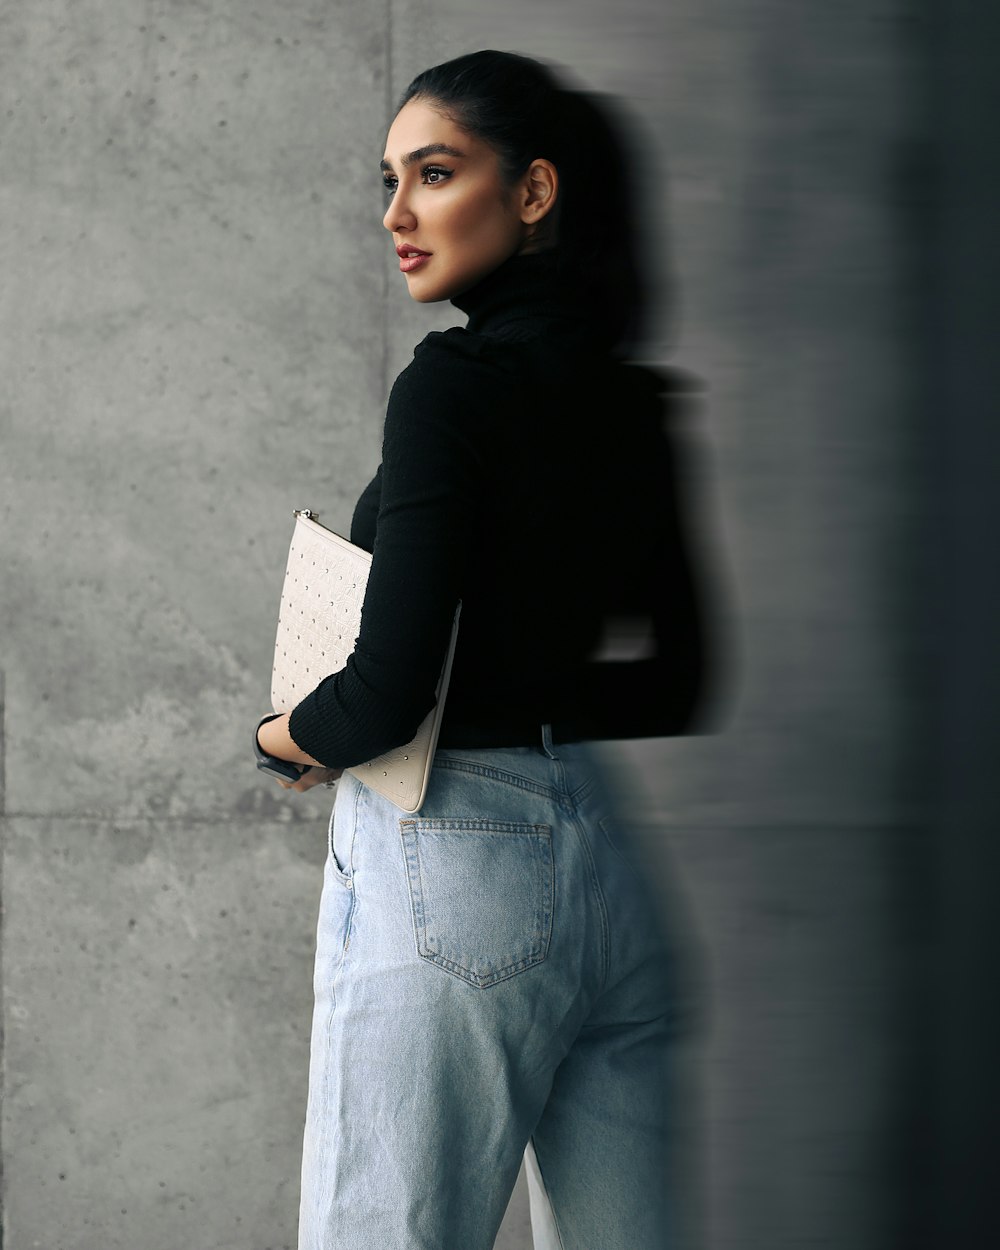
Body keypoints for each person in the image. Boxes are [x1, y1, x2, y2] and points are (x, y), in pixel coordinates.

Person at [254, 49, 709, 1250]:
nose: (396, 214)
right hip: (611, 870)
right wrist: (524, 681)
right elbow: (682, 678)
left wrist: (281, 736)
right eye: (390, 181)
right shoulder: (633, 401)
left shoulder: (449, 386)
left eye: (436, 172)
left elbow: (385, 693)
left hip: (452, 865)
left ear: (535, 190)